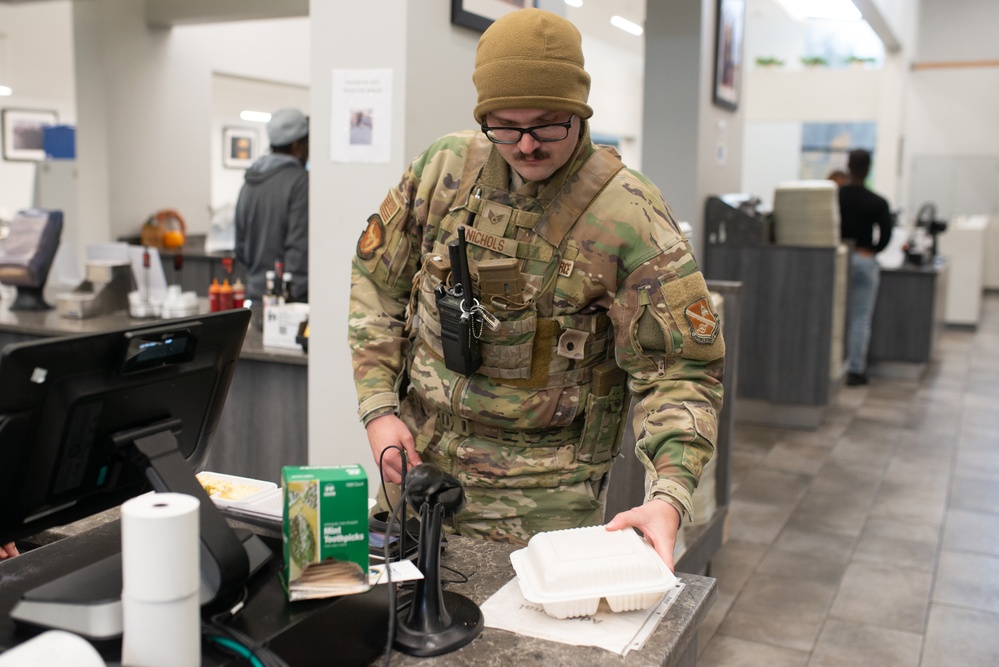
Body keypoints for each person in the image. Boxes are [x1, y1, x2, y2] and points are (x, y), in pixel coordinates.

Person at [347, 8, 724, 570]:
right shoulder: (442, 171)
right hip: (417, 465)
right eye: (504, 125)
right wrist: (379, 412)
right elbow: (376, 288)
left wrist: (668, 497)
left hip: (546, 496)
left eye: (549, 124)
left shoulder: (629, 214)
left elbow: (680, 372)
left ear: (580, 112)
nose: (525, 145)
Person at [234, 107, 309, 302]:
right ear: (296, 145)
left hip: (256, 295)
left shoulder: (249, 182)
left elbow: (240, 249)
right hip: (289, 301)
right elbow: (299, 248)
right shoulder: (301, 182)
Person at [839, 149, 893, 386]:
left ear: (848, 167)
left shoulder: (836, 197)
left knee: (835, 314)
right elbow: (886, 235)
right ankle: (855, 369)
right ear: (869, 169)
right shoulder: (877, 202)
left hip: (839, 259)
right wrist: (873, 249)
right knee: (860, 317)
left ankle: (833, 367)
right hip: (863, 257)